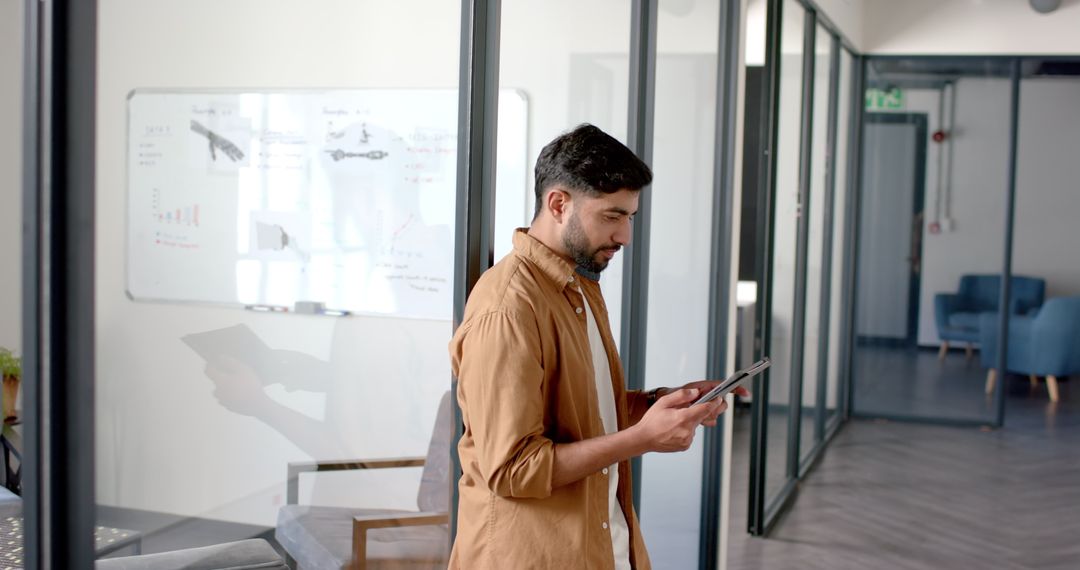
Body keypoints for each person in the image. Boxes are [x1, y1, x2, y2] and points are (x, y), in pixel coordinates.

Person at [449, 124, 746, 569]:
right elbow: (511, 470)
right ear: (558, 204)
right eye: (612, 216)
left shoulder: (579, 286)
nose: (625, 236)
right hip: (531, 556)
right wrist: (640, 440)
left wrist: (659, 404)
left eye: (630, 217)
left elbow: (581, 415)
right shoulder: (508, 309)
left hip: (599, 545)